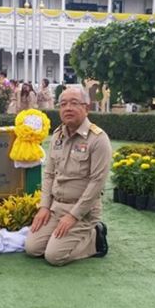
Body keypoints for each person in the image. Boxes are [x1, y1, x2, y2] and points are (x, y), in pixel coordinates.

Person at [24, 86, 111, 266]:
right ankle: (61, 236)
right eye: (63, 104)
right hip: (56, 208)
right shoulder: (57, 136)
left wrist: (73, 216)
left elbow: (97, 183)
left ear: (86, 108)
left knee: (54, 257)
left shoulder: (98, 139)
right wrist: (44, 207)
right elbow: (48, 175)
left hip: (82, 211)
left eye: (74, 103)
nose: (67, 108)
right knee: (32, 249)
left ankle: (96, 237)